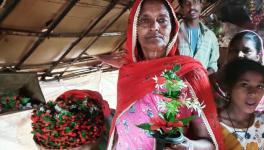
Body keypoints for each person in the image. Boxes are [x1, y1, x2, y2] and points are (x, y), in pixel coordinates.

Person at [107, 0, 224, 149]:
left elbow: (210, 144)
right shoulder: (128, 73)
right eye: (145, 20)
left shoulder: (191, 75)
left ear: (173, 28)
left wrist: (189, 146)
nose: (154, 27)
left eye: (162, 20)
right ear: (134, 28)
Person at [210, 30, 264, 108]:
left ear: (258, 56)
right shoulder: (212, 83)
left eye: (247, 51)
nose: (239, 55)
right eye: (234, 50)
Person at [218, 58, 264, 149]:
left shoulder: (262, 121)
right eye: (244, 84)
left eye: (259, 86)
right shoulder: (213, 126)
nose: (253, 93)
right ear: (229, 87)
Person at [177, 0, 219, 75]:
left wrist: (203, 75)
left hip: (200, 85)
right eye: (187, 3)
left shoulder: (210, 36)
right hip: (177, 84)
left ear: (201, 5)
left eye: (195, 2)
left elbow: (213, 65)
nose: (192, 7)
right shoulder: (175, 33)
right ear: (182, 7)